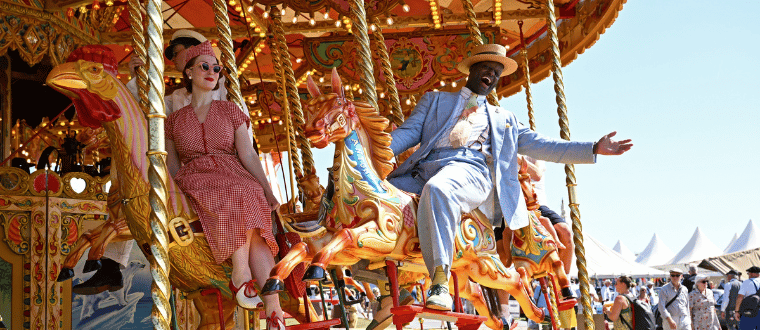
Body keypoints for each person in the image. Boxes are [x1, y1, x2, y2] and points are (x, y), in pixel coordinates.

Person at [387, 43, 633, 311]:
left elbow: (547, 145)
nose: (491, 76)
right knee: (375, 193)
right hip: (423, 168)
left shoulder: (504, 119)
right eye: (487, 69)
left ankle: (440, 282)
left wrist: (592, 148)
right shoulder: (435, 101)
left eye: (496, 73)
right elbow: (406, 134)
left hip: (470, 171)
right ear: (472, 69)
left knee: (439, 189)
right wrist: (366, 148)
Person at [74, 29, 247, 294]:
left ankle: (242, 268)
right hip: (182, 166)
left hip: (219, 168)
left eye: (176, 54)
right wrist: (137, 80)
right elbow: (140, 114)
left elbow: (236, 128)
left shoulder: (221, 90)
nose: (172, 60)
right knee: (128, 174)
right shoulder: (175, 98)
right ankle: (112, 262)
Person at [164, 41, 283, 329]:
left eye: (216, 68)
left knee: (254, 213)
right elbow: (171, 162)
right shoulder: (173, 121)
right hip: (195, 178)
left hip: (232, 171)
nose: (212, 72)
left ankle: (274, 309)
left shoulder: (231, 111)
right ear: (189, 72)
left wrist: (268, 190)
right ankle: (241, 275)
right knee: (236, 190)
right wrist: (174, 192)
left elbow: (248, 154)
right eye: (204, 66)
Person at [523, 156, 574, 274]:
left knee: (565, 231)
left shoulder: (533, 152)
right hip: (512, 208)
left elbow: (537, 173)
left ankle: (563, 278)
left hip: (536, 204)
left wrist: (517, 158)